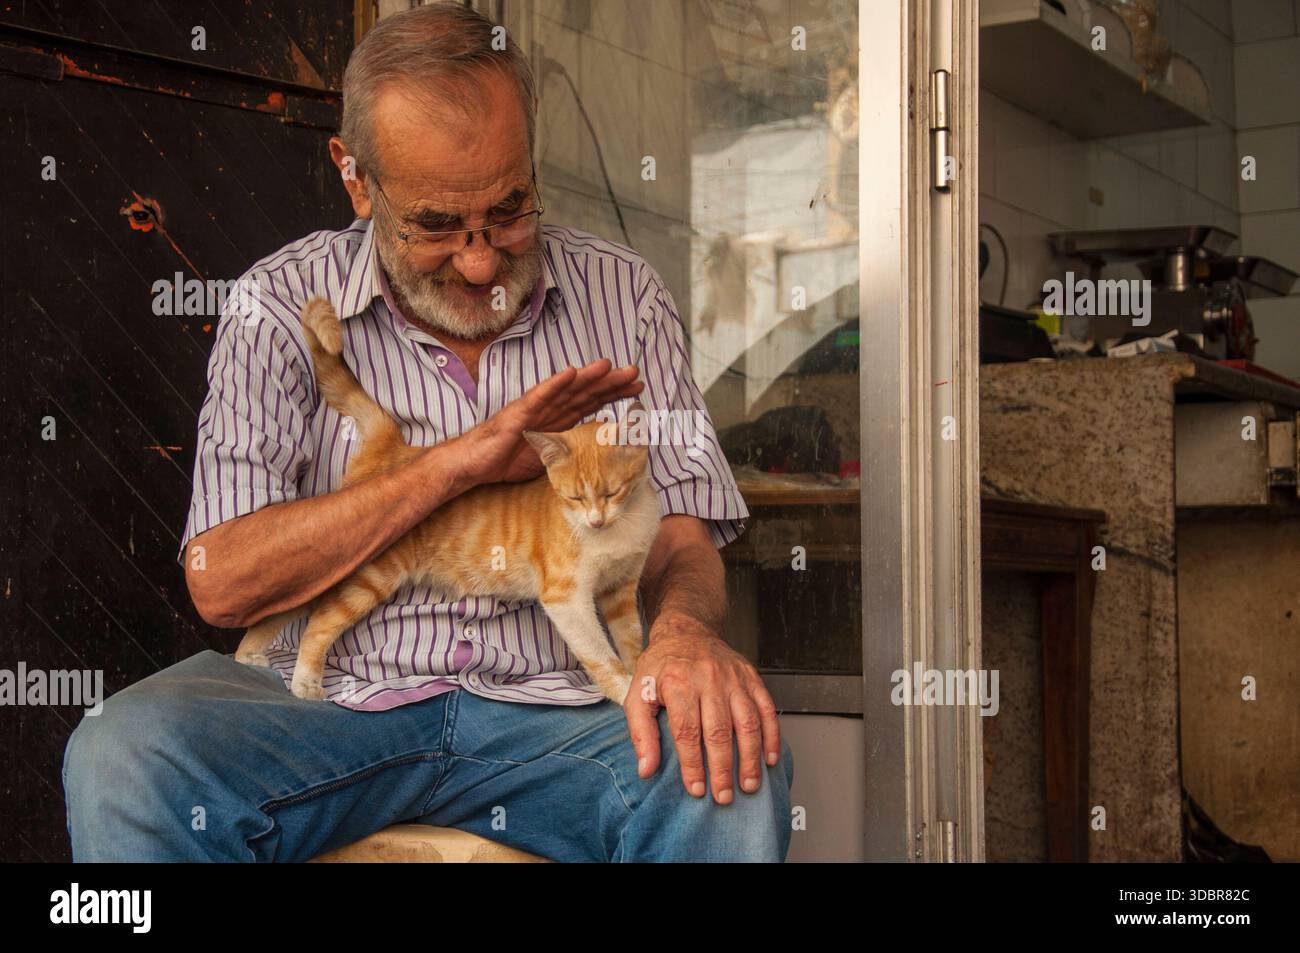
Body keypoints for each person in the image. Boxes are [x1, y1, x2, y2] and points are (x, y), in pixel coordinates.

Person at [63, 1, 792, 862]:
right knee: (125, 752)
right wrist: (457, 466)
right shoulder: (273, 305)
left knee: (730, 767)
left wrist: (685, 634)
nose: (482, 260)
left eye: (511, 209)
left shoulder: (623, 294)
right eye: (436, 225)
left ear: (531, 162)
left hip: (568, 719)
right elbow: (224, 583)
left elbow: (683, 532)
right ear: (356, 179)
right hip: (325, 711)